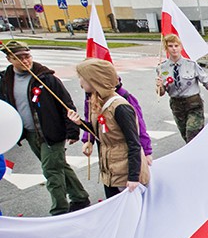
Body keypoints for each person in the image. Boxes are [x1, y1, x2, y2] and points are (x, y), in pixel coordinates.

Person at [0, 40, 90, 215]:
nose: (26, 61)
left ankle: (59, 210)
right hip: (31, 133)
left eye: (28, 56)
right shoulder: (5, 80)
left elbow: (66, 104)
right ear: (10, 59)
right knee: (59, 166)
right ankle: (80, 197)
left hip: (52, 132)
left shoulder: (46, 78)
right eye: (20, 58)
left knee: (51, 170)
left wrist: (72, 130)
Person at [68, 58, 149, 198]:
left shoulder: (120, 107)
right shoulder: (98, 100)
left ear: (95, 80)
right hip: (110, 171)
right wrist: (80, 123)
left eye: (82, 78)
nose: (80, 82)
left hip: (124, 173)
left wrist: (134, 177)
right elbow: (101, 131)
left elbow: (133, 143)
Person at [156, 34, 208, 143]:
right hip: (177, 105)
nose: (174, 49)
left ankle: (199, 156)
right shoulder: (162, 68)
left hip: (193, 104)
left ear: (181, 47)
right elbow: (161, 93)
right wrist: (159, 86)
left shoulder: (191, 64)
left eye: (176, 45)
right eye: (170, 46)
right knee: (185, 135)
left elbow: (207, 82)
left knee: (192, 134)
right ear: (166, 48)